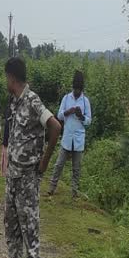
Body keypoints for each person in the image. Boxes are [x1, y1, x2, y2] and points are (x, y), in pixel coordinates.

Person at [1, 57, 60, 258]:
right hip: (13, 177)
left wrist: (44, 162)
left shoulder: (33, 100)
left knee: (30, 232)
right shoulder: (14, 102)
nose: (6, 81)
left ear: (12, 77)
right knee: (11, 229)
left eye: (6, 77)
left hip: (27, 179)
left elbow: (55, 127)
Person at [48, 71, 92, 200]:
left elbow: (89, 121)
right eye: (75, 89)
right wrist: (68, 112)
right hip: (67, 137)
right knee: (59, 164)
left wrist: (81, 116)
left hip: (78, 139)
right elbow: (59, 115)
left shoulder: (85, 101)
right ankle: (51, 188)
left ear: (82, 89)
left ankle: (74, 192)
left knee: (76, 168)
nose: (77, 91)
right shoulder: (66, 98)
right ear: (73, 87)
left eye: (79, 90)